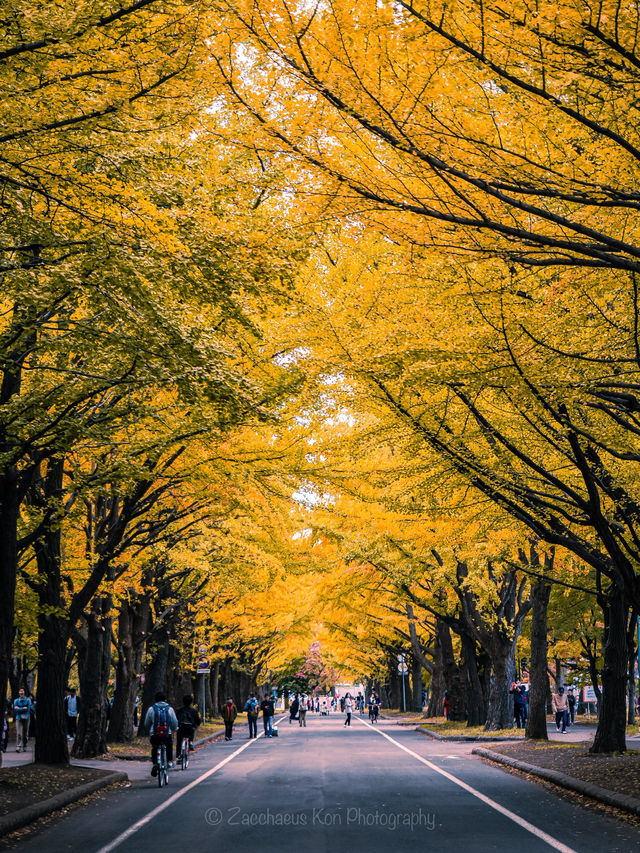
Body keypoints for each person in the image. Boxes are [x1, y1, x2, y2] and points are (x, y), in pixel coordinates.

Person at [144, 691, 178, 775]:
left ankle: (155, 764)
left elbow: (146, 723)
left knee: (155, 747)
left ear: (155, 700)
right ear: (165, 700)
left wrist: (149, 729)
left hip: (155, 734)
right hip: (167, 733)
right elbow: (174, 723)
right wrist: (174, 729)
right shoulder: (170, 709)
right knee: (169, 745)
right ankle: (169, 761)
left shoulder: (151, 709)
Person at [176, 694, 201, 758]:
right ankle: (190, 742)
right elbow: (198, 721)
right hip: (190, 728)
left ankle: (178, 755)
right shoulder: (193, 711)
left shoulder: (179, 710)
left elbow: (176, 719)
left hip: (181, 728)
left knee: (179, 741)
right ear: (191, 702)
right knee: (192, 731)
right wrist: (196, 725)